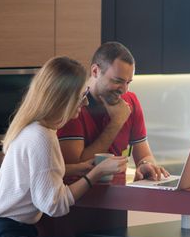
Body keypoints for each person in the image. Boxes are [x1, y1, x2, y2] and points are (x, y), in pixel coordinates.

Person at [0, 56, 128, 237]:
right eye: (81, 95)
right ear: (64, 98)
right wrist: (96, 174)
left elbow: (37, 175)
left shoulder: (36, 129)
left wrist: (78, 168)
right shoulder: (42, 138)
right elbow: (53, 205)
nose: (85, 102)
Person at [57, 42, 168, 182]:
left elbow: (145, 156)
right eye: (118, 81)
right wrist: (116, 122)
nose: (124, 90)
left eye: (128, 82)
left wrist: (146, 165)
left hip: (119, 198)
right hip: (80, 200)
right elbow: (77, 169)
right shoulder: (74, 107)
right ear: (95, 71)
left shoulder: (130, 101)